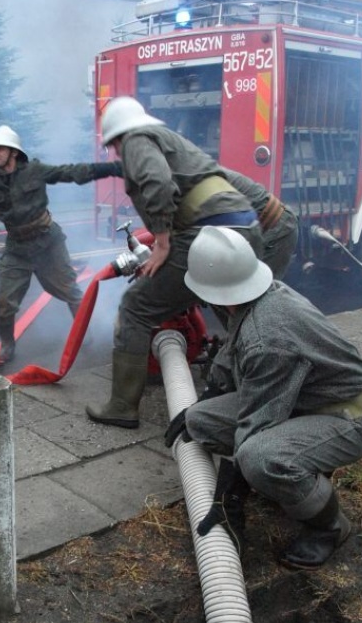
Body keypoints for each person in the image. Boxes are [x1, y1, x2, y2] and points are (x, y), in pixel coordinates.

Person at [164, 226, 362, 569]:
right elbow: (233, 356)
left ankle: (330, 527)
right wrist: (204, 399)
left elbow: (254, 426)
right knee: (200, 421)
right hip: (303, 399)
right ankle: (302, 474)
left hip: (348, 417)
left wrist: (228, 499)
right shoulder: (258, 296)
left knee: (259, 457)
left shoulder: (269, 339)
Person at [85, 96, 263, 430]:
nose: (118, 155)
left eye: (114, 147)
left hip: (208, 233)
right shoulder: (167, 139)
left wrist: (163, 242)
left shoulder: (136, 139)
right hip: (242, 228)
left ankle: (122, 406)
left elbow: (158, 183)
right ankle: (252, 384)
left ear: (118, 137)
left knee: (136, 306)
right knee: (234, 310)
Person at [0, 125, 122, 363]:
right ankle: (7, 343)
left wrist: (110, 168)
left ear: (14, 152)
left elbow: (70, 172)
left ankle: (82, 331)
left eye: (0, 148)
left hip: (48, 244)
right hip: (17, 250)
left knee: (72, 293)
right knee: (4, 304)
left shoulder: (34, 171)